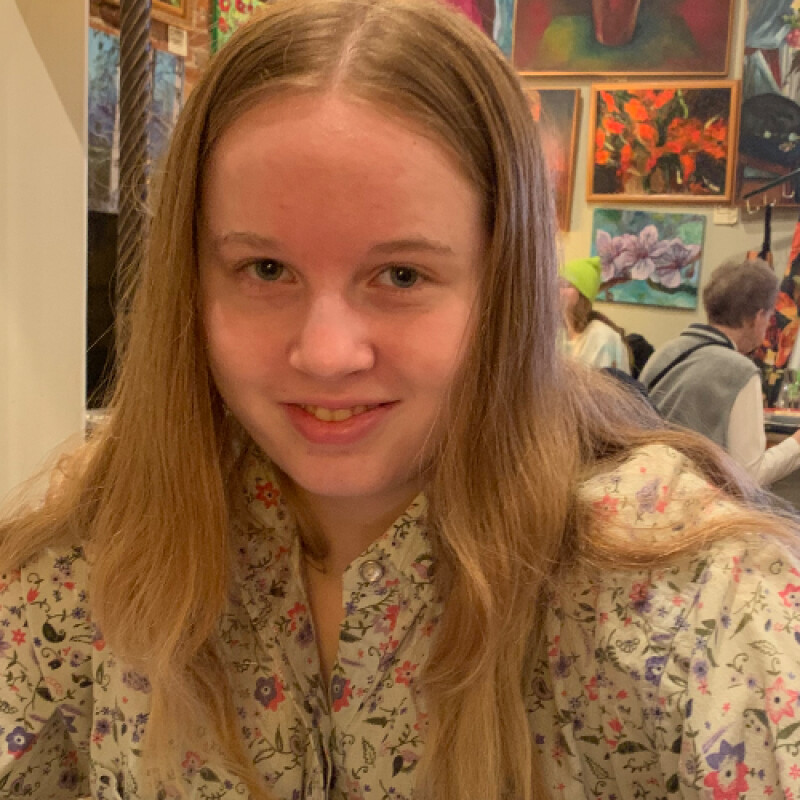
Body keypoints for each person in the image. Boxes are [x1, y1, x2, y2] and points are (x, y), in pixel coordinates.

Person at [1, 2, 800, 799]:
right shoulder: (100, 554)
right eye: (265, 270)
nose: (326, 353)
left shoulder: (686, 595)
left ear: (504, 285)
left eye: (402, 276)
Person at [641, 257, 800, 486]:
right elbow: (750, 475)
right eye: (769, 317)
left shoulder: (665, 352)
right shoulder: (740, 372)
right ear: (757, 318)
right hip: (698, 498)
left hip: (648, 488)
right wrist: (796, 444)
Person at [559, 256, 631, 373]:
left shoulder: (603, 338)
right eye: (557, 283)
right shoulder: (557, 332)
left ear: (583, 294)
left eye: (566, 285)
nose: (557, 290)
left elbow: (603, 383)